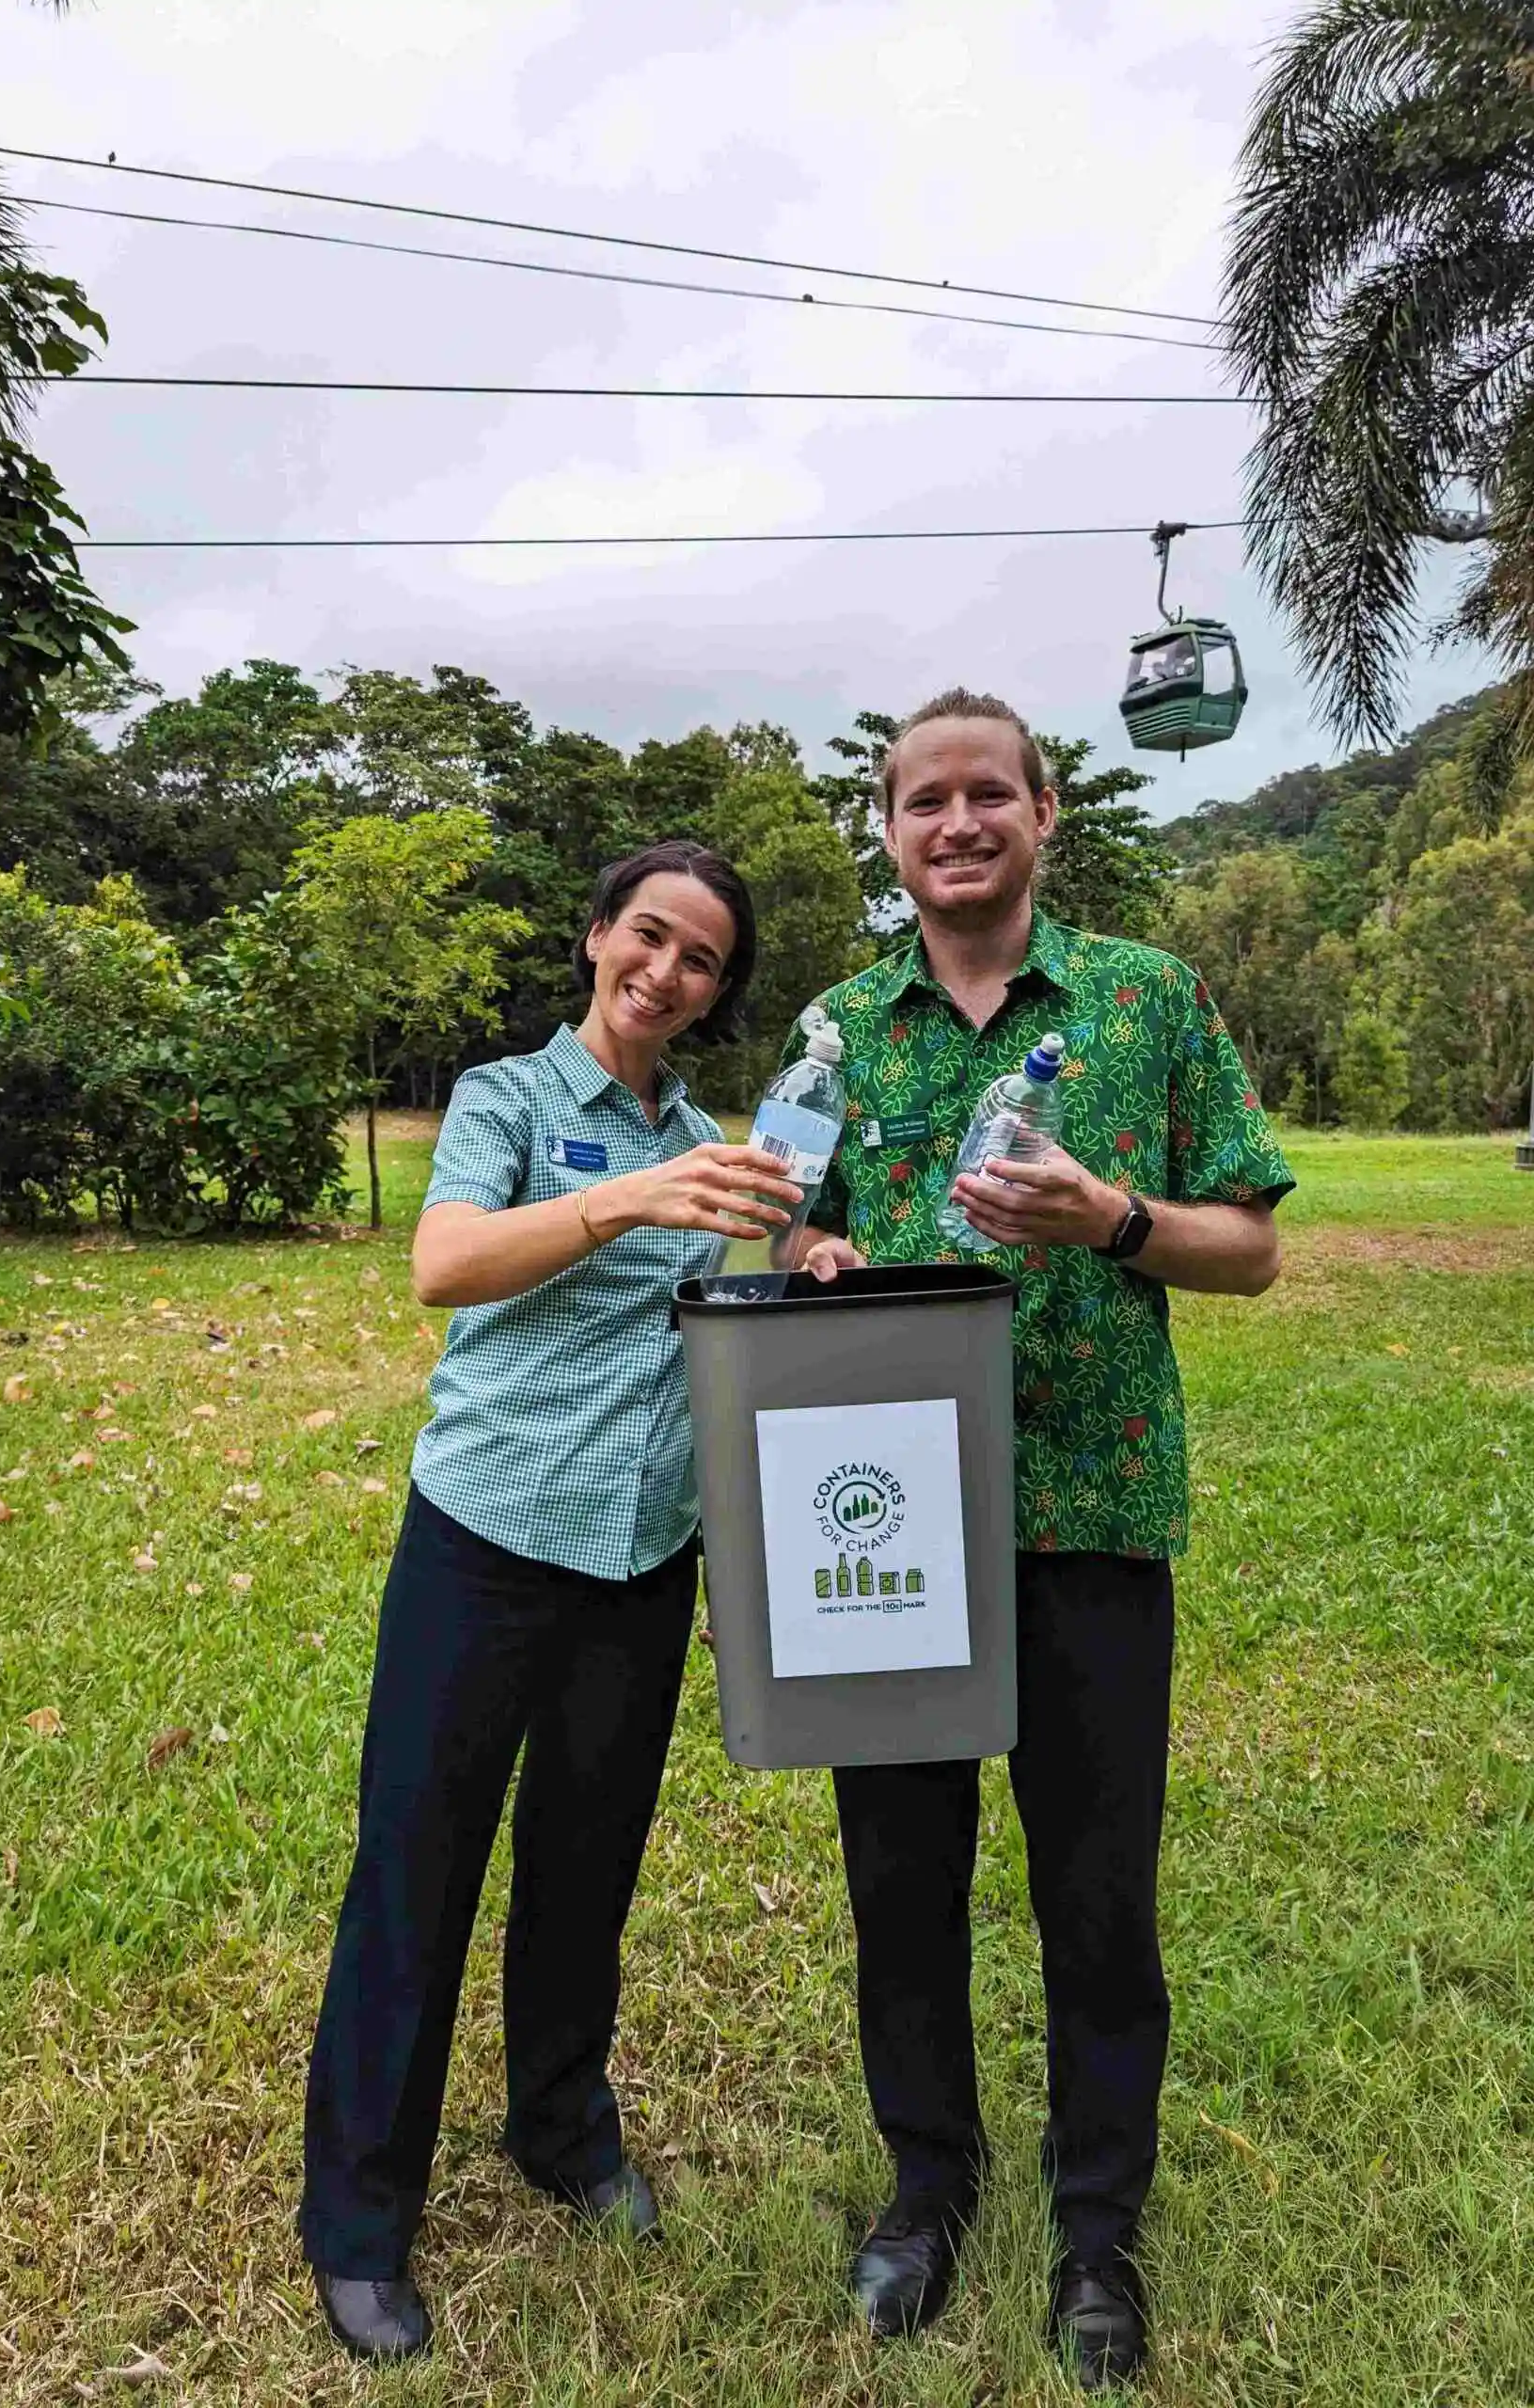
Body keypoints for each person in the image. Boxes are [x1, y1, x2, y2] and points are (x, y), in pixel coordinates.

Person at [788, 689, 1293, 2391]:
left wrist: (1116, 1216)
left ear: (1044, 810)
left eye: (986, 792)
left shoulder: (1145, 1000)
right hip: (890, 1519)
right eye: (922, 799)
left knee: (1095, 1893)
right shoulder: (843, 1027)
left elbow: (1250, 1243)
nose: (956, 823)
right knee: (901, 1883)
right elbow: (797, 1230)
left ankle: (1098, 2234)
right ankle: (927, 2193)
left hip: (1093, 1502)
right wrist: (817, 1263)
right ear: (889, 829)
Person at [298, 838, 802, 2363]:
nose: (665, 971)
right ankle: (360, 2215)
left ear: (717, 993)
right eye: (648, 937)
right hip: (489, 1542)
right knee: (421, 1864)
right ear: (596, 938)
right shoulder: (506, 1102)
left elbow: (713, 1336)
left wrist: (795, 1261)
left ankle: (561, 2128)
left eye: (701, 959)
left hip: (640, 1565)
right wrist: (632, 1200)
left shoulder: (713, 1138)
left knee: (588, 1864)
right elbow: (444, 1264)